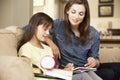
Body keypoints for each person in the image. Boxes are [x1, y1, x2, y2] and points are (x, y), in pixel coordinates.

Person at [46, 0, 103, 80]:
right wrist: (50, 42)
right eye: (73, 12)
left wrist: (94, 62)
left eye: (81, 14)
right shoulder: (58, 25)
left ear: (85, 15)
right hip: (66, 70)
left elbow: (96, 59)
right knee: (85, 77)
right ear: (67, 11)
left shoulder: (93, 33)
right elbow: (34, 29)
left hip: (84, 69)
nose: (76, 17)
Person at [17, 12, 55, 79]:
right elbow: (26, 69)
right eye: (45, 29)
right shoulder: (26, 48)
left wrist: (64, 70)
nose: (48, 33)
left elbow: (52, 69)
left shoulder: (48, 49)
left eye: (49, 30)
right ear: (34, 27)